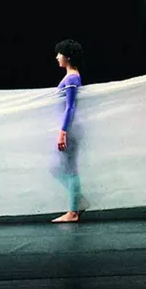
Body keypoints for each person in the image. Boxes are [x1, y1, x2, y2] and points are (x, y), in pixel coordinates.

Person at [50, 39, 86, 223]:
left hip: (70, 128)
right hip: (69, 127)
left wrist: (63, 132)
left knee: (70, 169)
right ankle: (77, 201)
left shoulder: (72, 78)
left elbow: (70, 107)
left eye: (60, 54)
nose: (57, 57)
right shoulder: (71, 77)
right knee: (59, 168)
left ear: (68, 57)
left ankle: (73, 211)